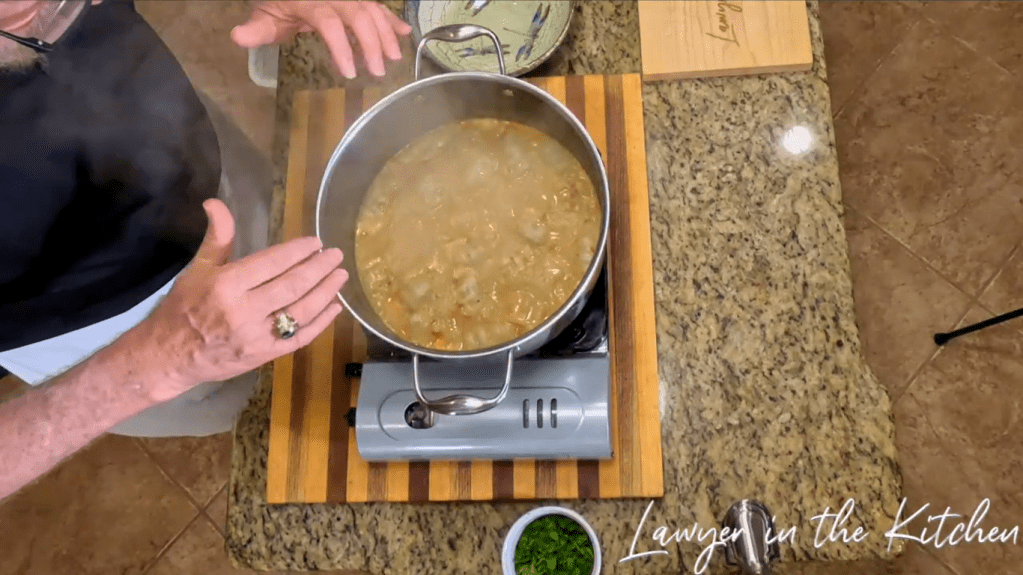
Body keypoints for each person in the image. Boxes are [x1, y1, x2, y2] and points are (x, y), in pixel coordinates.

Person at [0, 0, 411, 500]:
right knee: (275, 406)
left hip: (206, 176)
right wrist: (157, 364)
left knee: (286, 226)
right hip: (117, 335)